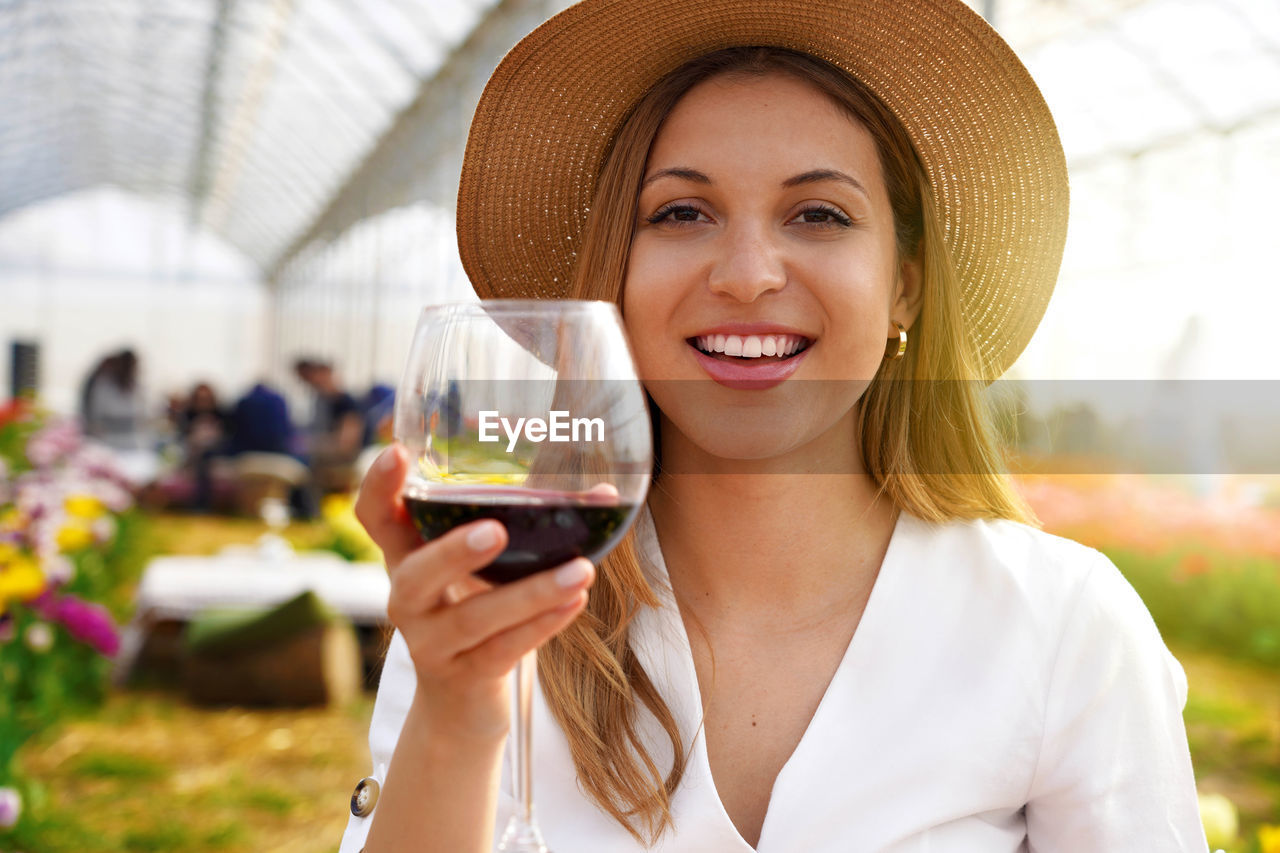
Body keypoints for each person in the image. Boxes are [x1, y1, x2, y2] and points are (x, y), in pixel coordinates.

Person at [342, 2, 1207, 851]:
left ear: (903, 286)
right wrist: (458, 716)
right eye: (681, 213)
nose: (749, 275)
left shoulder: (1065, 627)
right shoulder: (493, 603)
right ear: (614, 283)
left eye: (818, 214)